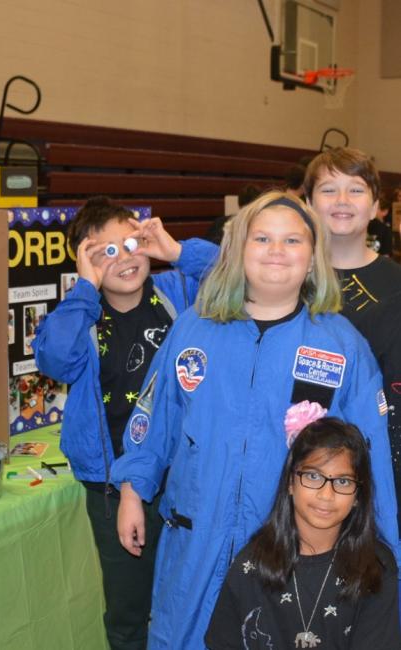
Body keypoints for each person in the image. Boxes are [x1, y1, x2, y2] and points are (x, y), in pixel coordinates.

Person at [112, 190, 398, 649]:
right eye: (262, 238)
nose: (276, 251)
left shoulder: (341, 346)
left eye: (292, 240)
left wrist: (386, 562)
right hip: (194, 540)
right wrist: (133, 488)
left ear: (313, 258)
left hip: (287, 552)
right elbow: (156, 414)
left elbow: (372, 461)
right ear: (238, 251)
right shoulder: (194, 328)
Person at [32, 196, 216, 650]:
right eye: (105, 252)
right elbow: (54, 357)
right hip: (113, 485)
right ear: (86, 263)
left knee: (192, 599)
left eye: (132, 242)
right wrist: (84, 289)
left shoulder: (178, 294)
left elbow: (239, 275)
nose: (125, 256)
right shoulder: (83, 317)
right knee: (129, 609)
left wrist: (175, 251)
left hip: (183, 477)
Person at [206, 417, 401, 649]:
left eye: (342, 481)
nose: (326, 495)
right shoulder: (250, 564)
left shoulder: (376, 567)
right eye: (313, 476)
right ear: (290, 481)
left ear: (358, 495)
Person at [304, 148, 401, 533]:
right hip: (299, 466)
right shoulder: (288, 277)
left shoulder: (396, 284)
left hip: (379, 467)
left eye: (356, 190)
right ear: (308, 202)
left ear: (377, 206)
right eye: (329, 190)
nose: (342, 201)